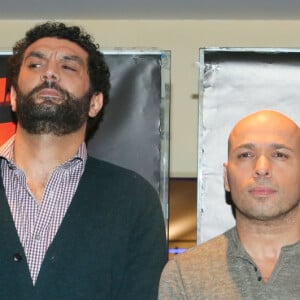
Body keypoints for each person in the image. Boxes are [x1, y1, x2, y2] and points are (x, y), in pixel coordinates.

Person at [0, 21, 167, 299]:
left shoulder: (133, 199)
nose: (50, 73)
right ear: (14, 97)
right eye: (35, 65)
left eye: (68, 67)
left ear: (95, 103)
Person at [159, 110, 300, 299]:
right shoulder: (185, 275)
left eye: (280, 155)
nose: (262, 168)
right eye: (246, 155)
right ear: (226, 178)